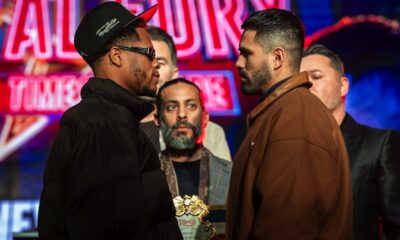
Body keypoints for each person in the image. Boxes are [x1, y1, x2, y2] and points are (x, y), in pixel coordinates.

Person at [38, 2, 182, 239]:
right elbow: (113, 229)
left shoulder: (108, 117)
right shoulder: (106, 124)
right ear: (117, 56)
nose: (155, 62)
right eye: (149, 53)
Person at [226, 9, 352, 240]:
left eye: (246, 54)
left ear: (277, 58)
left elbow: (287, 228)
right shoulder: (282, 112)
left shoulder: (295, 120)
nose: (238, 63)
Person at [301, 44, 400, 240]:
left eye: (316, 76)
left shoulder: (378, 144)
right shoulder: (285, 148)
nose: (307, 85)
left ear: (343, 85)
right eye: (300, 81)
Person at [139, 26, 232, 161]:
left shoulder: (210, 134)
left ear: (174, 74)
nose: (152, 69)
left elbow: (224, 180)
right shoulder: (110, 127)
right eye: (145, 61)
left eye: (159, 63)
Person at [154, 78, 232, 205]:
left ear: (205, 118)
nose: (182, 114)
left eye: (191, 106)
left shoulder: (232, 175)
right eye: (172, 107)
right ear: (157, 120)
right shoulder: (143, 175)